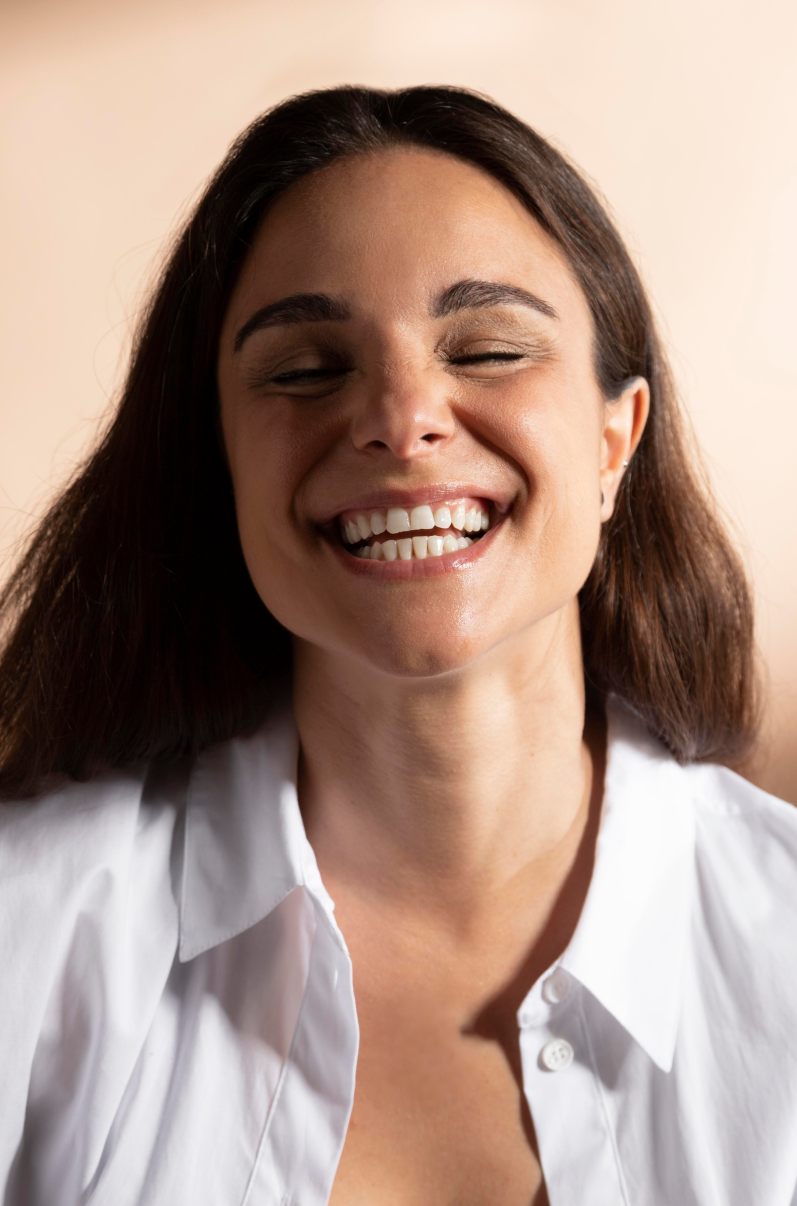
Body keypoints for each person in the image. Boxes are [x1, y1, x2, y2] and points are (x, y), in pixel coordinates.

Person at [0, 84, 794, 1206]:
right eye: (304, 370)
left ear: (613, 444)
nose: (400, 416)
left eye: (485, 349)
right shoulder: (20, 931)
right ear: (219, 462)